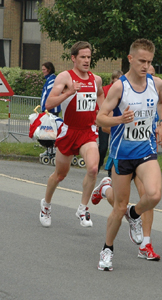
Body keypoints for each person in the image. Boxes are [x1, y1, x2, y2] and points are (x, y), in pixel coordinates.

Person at [96, 39, 162, 271]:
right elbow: (100, 118)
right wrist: (120, 119)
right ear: (130, 59)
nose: (146, 66)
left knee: (154, 195)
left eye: (149, 62)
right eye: (141, 61)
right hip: (122, 153)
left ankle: (135, 214)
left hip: (146, 150)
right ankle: (107, 250)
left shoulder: (156, 83)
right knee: (119, 207)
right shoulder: (120, 87)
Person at [39, 41, 104, 228]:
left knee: (92, 168)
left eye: (89, 57)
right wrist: (69, 92)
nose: (86, 60)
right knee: (60, 174)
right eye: (82, 57)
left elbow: (101, 97)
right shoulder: (64, 77)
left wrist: (102, 113)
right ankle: (46, 205)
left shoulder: (96, 79)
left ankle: (83, 208)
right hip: (69, 131)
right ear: (73, 58)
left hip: (88, 132)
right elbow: (49, 104)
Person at [98, 70, 123, 173]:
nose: (118, 80)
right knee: (103, 147)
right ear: (113, 79)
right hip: (105, 121)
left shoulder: (123, 90)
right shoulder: (105, 90)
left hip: (116, 121)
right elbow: (100, 106)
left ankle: (111, 172)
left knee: (114, 147)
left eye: (121, 78)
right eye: (117, 78)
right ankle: (96, 167)